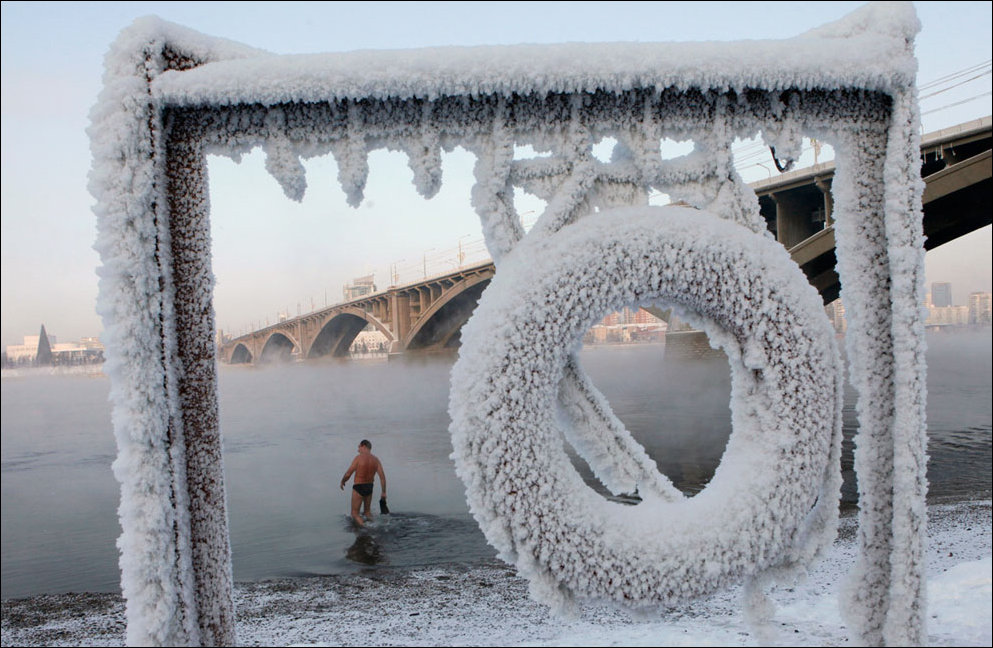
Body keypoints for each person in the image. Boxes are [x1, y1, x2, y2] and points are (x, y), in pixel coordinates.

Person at [340, 439, 387, 527]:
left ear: (364, 446)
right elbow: (382, 477)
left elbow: (348, 473)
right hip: (370, 487)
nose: (358, 450)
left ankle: (366, 529)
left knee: (354, 514)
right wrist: (383, 492)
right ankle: (374, 526)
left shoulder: (358, 458)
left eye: (359, 447)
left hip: (359, 486)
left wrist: (343, 481)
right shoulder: (376, 460)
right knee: (367, 512)